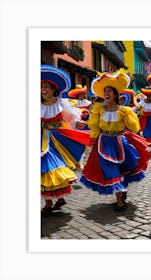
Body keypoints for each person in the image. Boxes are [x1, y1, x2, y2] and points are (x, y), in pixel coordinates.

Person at [80, 70, 151, 211]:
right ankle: (119, 199)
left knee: (122, 169)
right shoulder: (99, 110)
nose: (106, 93)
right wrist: (87, 127)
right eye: (105, 91)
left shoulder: (124, 110)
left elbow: (134, 127)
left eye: (109, 91)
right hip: (104, 143)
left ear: (116, 94)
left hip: (119, 142)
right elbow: (95, 126)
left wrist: (129, 119)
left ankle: (122, 190)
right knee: (110, 169)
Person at [41, 64, 90, 217]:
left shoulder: (61, 103)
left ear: (54, 89)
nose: (43, 89)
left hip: (58, 140)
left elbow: (71, 119)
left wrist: (78, 124)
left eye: (46, 86)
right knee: (45, 170)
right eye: (41, 86)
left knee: (50, 169)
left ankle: (49, 204)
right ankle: (56, 199)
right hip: (40, 139)